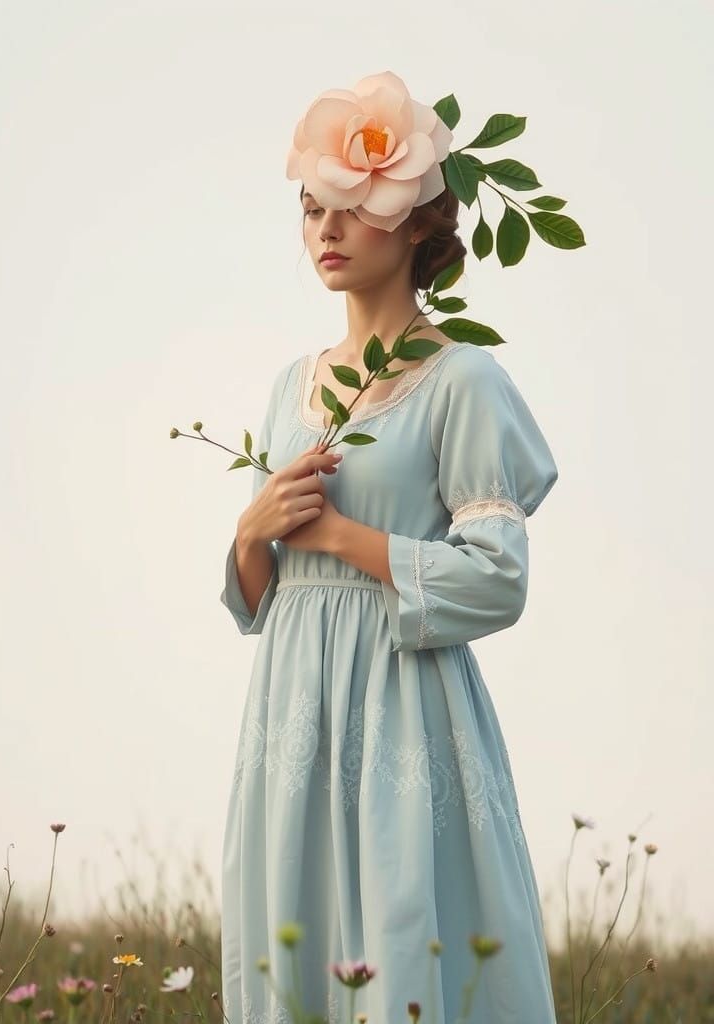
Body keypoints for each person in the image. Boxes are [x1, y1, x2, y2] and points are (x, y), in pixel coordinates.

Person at [219, 79, 560, 1024]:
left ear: (415, 224)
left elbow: (498, 579)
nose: (326, 232)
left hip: (405, 707)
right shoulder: (291, 386)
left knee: (408, 931)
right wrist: (253, 533)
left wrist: (337, 533)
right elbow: (259, 595)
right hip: (290, 711)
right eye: (312, 210)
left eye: (354, 211)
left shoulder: (464, 381)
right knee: (292, 937)